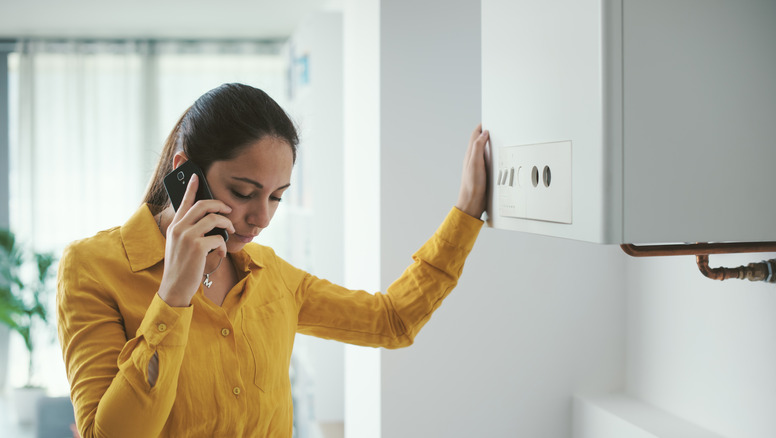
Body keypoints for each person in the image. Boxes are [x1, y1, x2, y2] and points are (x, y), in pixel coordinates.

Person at [57, 83, 489, 438]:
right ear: (185, 172)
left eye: (276, 197)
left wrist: (467, 213)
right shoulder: (92, 268)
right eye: (243, 193)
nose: (261, 218)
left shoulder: (269, 273)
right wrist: (172, 297)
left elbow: (391, 321)